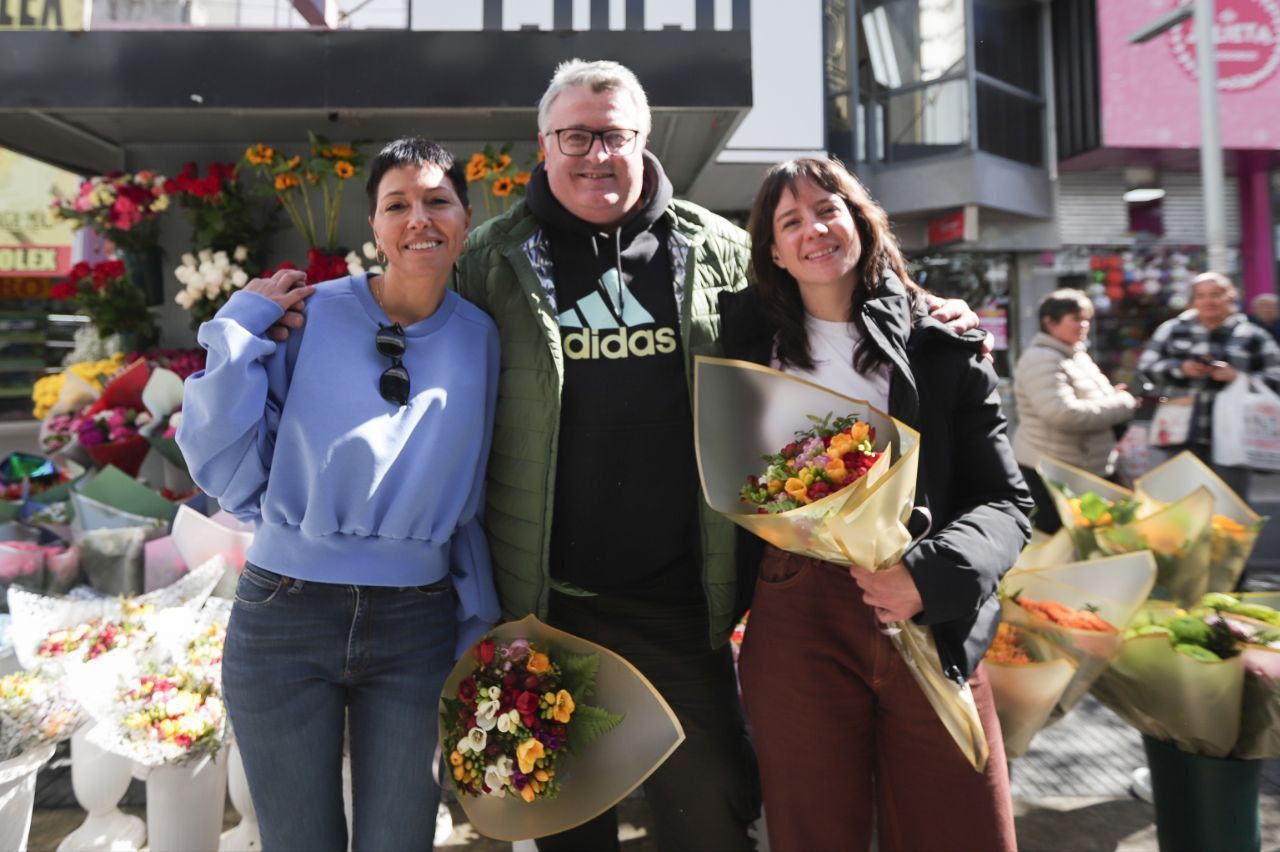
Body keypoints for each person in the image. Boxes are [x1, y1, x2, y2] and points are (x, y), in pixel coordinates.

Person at [451, 60, 985, 851]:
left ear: (645, 140)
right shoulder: (490, 260)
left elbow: (822, 301)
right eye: (576, 136)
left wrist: (919, 305)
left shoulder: (720, 249)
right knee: (570, 832)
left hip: (683, 606)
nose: (596, 154)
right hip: (546, 606)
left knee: (710, 820)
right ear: (544, 143)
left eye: (615, 135)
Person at [177, 138, 500, 852]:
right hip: (284, 613)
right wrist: (235, 329)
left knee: (401, 839)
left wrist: (480, 621)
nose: (419, 218)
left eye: (437, 201)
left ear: (466, 219)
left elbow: (476, 495)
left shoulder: (485, 340)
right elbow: (218, 461)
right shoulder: (305, 314)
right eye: (397, 205)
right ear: (375, 229)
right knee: (298, 841)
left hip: (417, 626)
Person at [718, 157, 1031, 852]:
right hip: (797, 614)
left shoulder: (940, 343)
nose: (814, 230)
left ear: (860, 220)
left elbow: (1006, 499)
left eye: (827, 210)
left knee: (963, 826)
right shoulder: (742, 344)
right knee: (813, 831)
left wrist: (930, 576)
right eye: (790, 221)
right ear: (772, 250)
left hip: (928, 610)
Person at [1137, 272, 1280, 498]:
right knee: (1182, 506)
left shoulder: (1253, 335)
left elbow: (1276, 377)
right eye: (1201, 296)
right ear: (1193, 300)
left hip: (1234, 435)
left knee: (1229, 507)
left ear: (1231, 296)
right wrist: (1180, 368)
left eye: (1216, 295)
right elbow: (1145, 369)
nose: (1208, 301)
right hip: (1181, 432)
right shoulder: (1172, 329)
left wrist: (1238, 377)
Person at [1012, 288, 1136, 532]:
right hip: (1054, 474)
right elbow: (1063, 414)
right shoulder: (1042, 359)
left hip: (1082, 470)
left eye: (1086, 319)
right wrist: (1123, 403)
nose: (1083, 326)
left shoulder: (1075, 354)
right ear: (1049, 321)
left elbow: (1090, 398)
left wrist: (1113, 396)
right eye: (1076, 319)